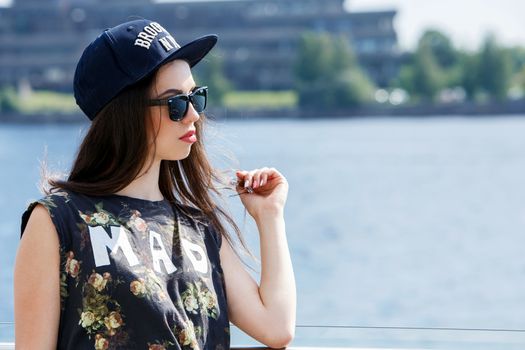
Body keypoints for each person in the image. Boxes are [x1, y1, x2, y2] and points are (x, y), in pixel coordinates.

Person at [14, 18, 296, 349]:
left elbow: (276, 327)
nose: (193, 114)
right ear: (126, 114)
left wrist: (269, 215)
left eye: (196, 97)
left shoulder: (199, 226)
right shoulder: (58, 221)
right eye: (176, 103)